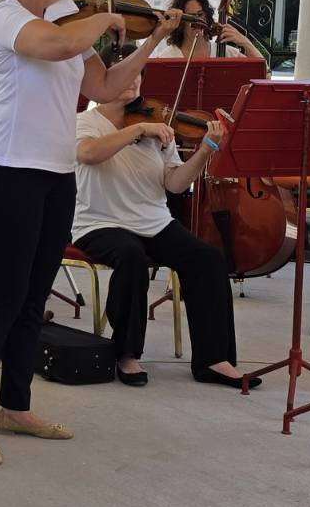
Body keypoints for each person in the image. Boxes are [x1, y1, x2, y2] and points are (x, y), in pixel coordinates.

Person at [0, 0, 181, 466]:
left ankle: (16, 405)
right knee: (3, 298)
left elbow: (104, 87)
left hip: (55, 174)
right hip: (10, 171)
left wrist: (148, 40)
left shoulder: (72, 20)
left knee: (34, 297)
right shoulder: (10, 19)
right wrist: (104, 18)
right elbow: (57, 46)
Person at [73, 74, 255, 389]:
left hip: (154, 220)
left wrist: (205, 151)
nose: (133, 81)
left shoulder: (159, 124)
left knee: (207, 259)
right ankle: (127, 353)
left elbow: (174, 183)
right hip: (99, 222)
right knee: (130, 257)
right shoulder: (84, 122)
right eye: (125, 73)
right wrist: (138, 130)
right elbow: (89, 154)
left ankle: (214, 359)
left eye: (139, 75)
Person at [154, 0, 267, 65]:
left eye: (200, 14)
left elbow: (264, 74)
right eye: (190, 16)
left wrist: (245, 42)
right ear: (180, 22)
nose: (198, 20)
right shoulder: (168, 57)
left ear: (207, 17)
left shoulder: (227, 54)